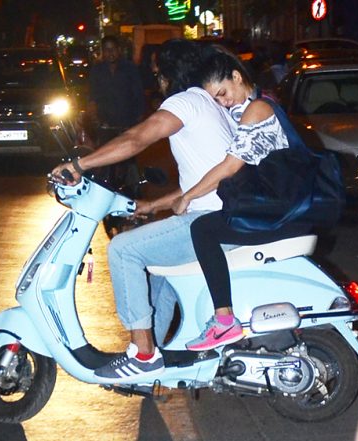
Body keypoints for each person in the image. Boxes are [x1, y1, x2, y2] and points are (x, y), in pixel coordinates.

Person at [52, 39, 235, 381]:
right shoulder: (209, 105)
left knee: (123, 249)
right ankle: (152, 367)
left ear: (170, 72)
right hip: (218, 217)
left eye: (157, 73)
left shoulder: (185, 102)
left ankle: (144, 354)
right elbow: (203, 179)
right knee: (157, 270)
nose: (156, 80)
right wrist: (152, 204)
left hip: (208, 223)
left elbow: (136, 139)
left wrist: (79, 164)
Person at [174, 49, 312, 351]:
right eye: (216, 99)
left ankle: (224, 322)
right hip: (280, 207)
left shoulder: (257, 110)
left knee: (203, 229)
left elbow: (230, 165)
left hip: (281, 211)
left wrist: (188, 197)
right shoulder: (258, 104)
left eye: (222, 93)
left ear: (237, 77)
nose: (223, 102)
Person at [87, 36, 145, 195]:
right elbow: (92, 96)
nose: (110, 53)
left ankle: (134, 192)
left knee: (129, 161)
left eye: (113, 49)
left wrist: (138, 120)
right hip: (105, 123)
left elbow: (138, 94)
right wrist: (95, 117)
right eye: (106, 50)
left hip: (127, 122)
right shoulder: (97, 70)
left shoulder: (130, 69)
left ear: (119, 51)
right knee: (106, 161)